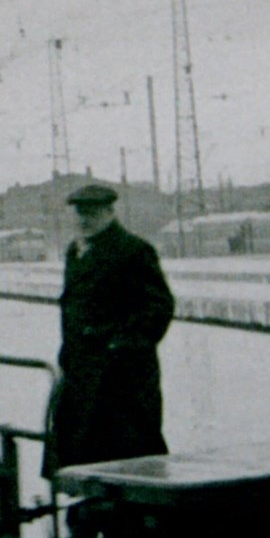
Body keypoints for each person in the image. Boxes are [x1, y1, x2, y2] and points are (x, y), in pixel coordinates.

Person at [47, 183, 174, 473]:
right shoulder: (76, 251)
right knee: (84, 456)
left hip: (122, 379)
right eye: (79, 212)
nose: (83, 219)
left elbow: (159, 307)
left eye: (91, 212)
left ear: (109, 212)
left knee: (129, 454)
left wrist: (120, 345)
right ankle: (91, 511)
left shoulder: (133, 250)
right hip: (81, 372)